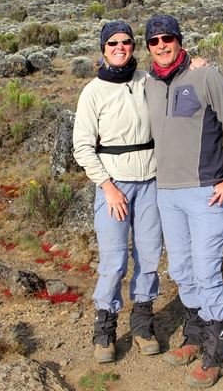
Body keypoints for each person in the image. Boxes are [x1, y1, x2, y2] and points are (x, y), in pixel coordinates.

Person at [143, 15, 223, 388]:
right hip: (166, 192)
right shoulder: (149, 83)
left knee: (206, 272)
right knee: (182, 271)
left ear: (179, 40)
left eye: (167, 38)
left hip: (205, 191)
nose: (161, 45)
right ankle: (194, 334)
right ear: (148, 47)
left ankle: (215, 353)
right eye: (154, 40)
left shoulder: (205, 76)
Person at [72, 21, 162, 363]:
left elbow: (176, 77)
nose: (120, 47)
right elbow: (82, 146)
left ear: (133, 46)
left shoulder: (147, 82)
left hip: (151, 181)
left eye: (126, 42)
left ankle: (142, 322)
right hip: (114, 184)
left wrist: (195, 64)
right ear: (103, 49)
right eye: (113, 43)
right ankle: (105, 329)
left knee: (150, 255)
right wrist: (107, 187)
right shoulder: (92, 91)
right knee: (113, 260)